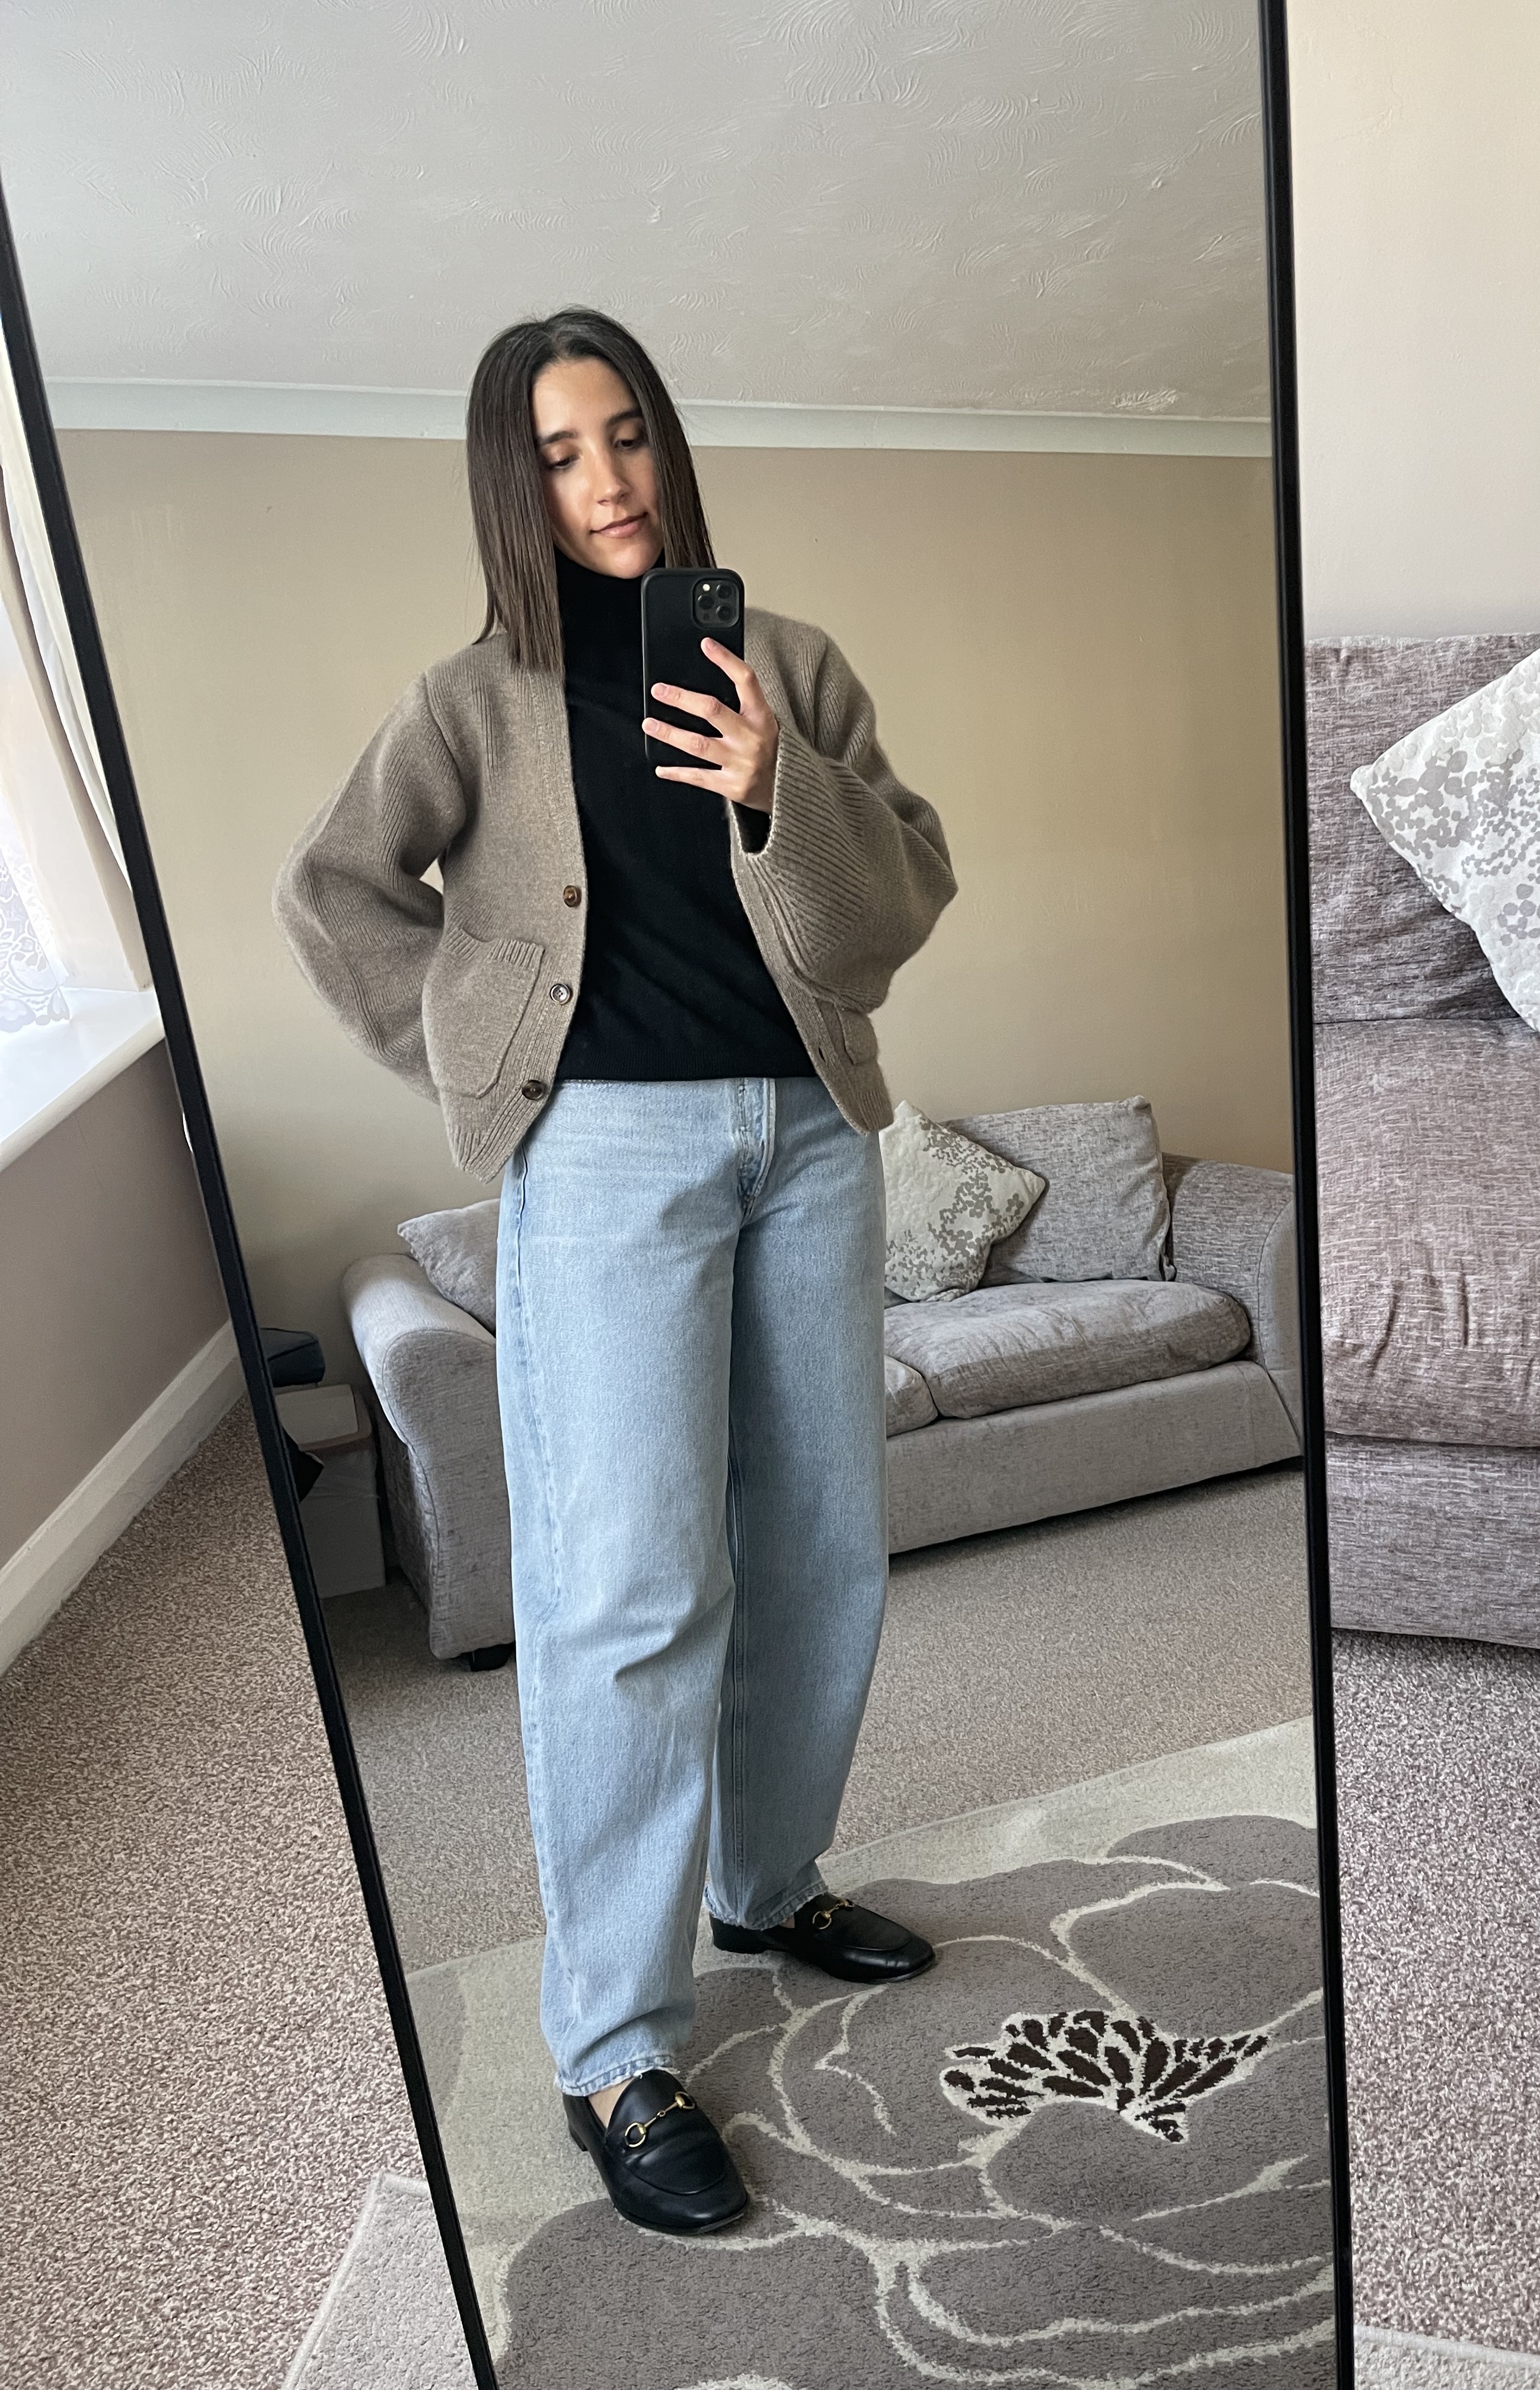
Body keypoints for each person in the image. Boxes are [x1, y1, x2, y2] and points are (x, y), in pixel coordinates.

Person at [274, 306, 956, 2236]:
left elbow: (898, 902)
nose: (608, 481)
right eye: (562, 454)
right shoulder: (468, 701)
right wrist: (493, 1055)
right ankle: (615, 2048)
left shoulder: (790, 664)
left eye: (629, 435)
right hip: (607, 1158)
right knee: (632, 1584)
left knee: (821, 1536)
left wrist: (774, 786)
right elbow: (330, 896)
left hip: (811, 1134)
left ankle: (769, 1880)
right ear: (518, 485)